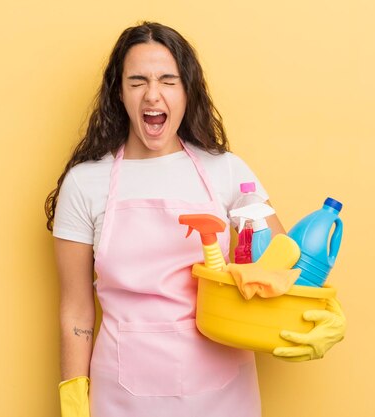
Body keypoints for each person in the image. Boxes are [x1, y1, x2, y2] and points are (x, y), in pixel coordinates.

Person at [45, 22, 346, 417]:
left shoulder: (227, 172)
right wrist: (72, 399)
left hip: (222, 394)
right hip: (122, 394)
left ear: (187, 90)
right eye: (137, 81)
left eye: (168, 80)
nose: (153, 94)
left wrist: (324, 314)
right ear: (119, 93)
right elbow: (76, 311)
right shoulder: (86, 184)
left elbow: (282, 268)